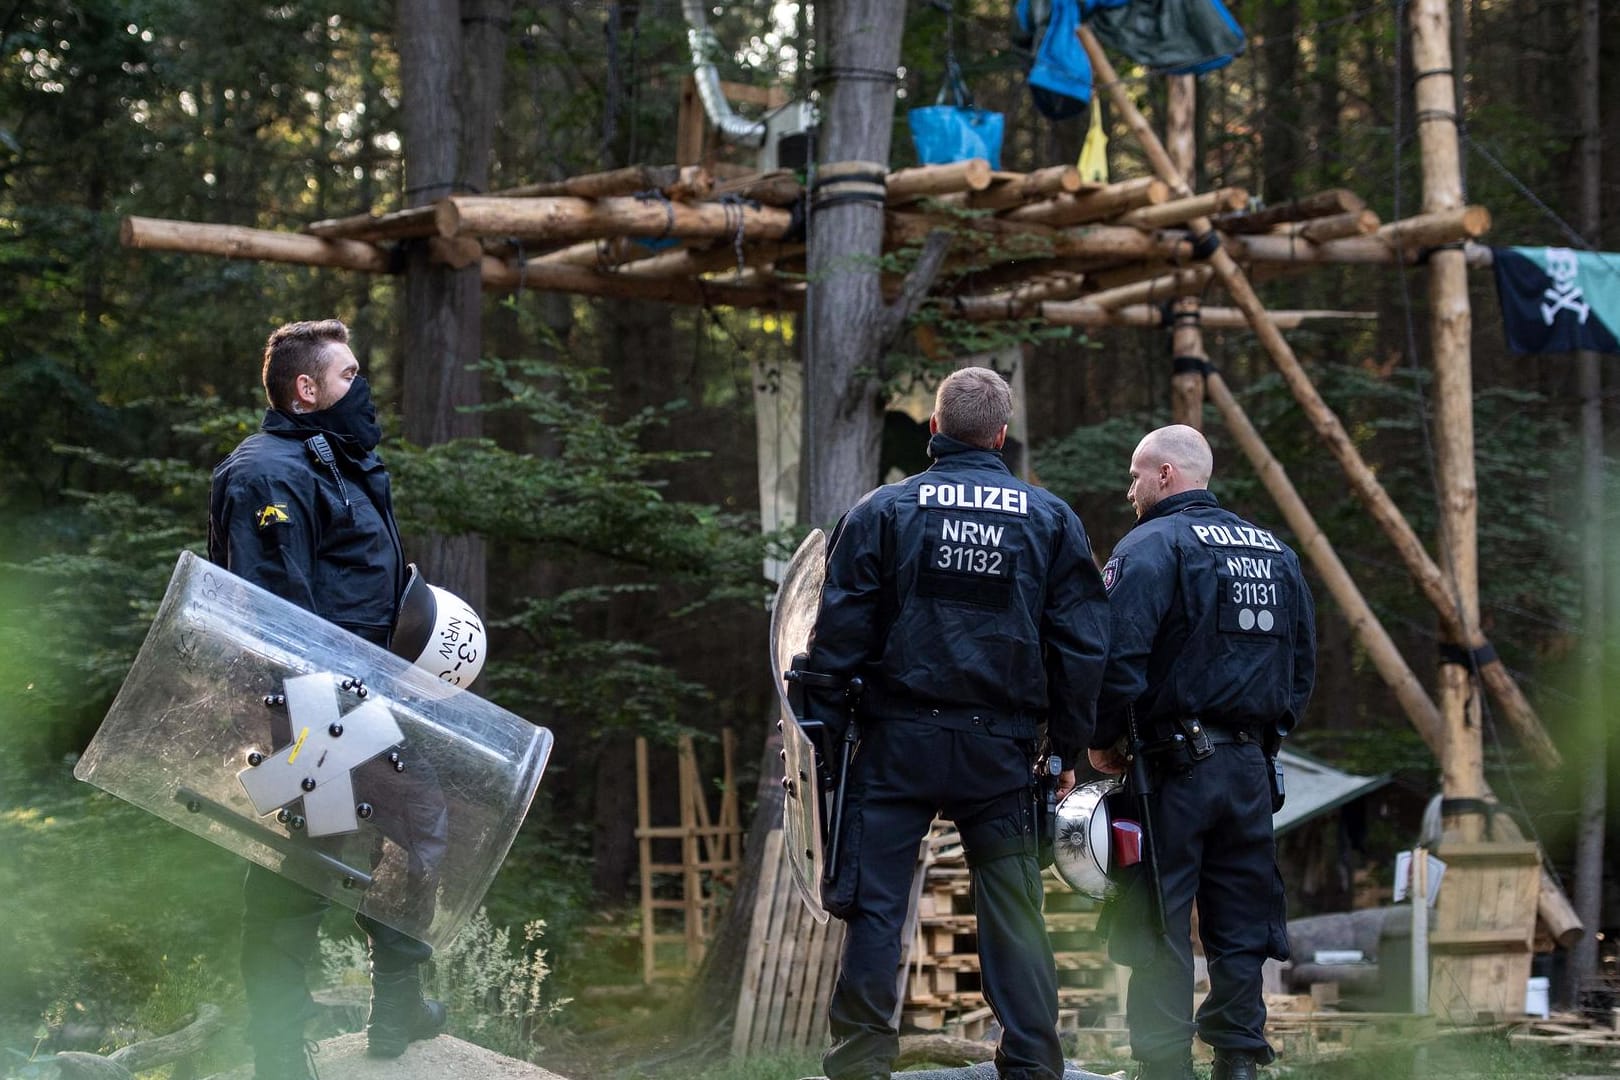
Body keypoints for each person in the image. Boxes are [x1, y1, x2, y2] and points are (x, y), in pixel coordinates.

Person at [803, 366, 1112, 1080]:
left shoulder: (883, 509)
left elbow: (837, 635)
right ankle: (1032, 1061)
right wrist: (1067, 746)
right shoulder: (1050, 518)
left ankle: (859, 1062)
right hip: (999, 754)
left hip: (895, 746)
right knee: (1012, 906)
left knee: (877, 906)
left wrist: (826, 739)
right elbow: (1083, 646)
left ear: (935, 430)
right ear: (1001, 436)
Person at [208, 319, 446, 1079]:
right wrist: (315, 727)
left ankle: (398, 1007)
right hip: (311, 707)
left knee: (417, 830)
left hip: (369, 695)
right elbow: (275, 616)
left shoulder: (335, 462)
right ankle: (279, 1052)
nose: (363, 390)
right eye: (349, 376)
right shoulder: (267, 475)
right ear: (306, 390)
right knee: (299, 873)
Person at [1087, 425, 1317, 1080]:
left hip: (1169, 771)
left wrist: (1103, 740)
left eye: (1136, 475)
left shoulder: (1152, 546)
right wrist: (1264, 738)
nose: (1129, 489)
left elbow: (1117, 657)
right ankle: (1239, 1061)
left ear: (1166, 475)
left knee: (1157, 917)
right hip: (1249, 771)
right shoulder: (1275, 551)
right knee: (1241, 922)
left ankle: (1164, 1066)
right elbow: (1301, 666)